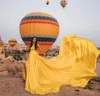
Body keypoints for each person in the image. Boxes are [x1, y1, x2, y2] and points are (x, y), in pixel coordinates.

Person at [24, 34, 100, 95]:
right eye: (33, 39)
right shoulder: (30, 45)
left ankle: (34, 80)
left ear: (36, 40)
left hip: (35, 56)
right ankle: (30, 78)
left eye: (35, 39)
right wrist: (27, 57)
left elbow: (40, 50)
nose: (34, 40)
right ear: (32, 40)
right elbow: (28, 52)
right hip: (31, 57)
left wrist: (43, 53)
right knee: (30, 68)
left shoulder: (37, 44)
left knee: (35, 68)